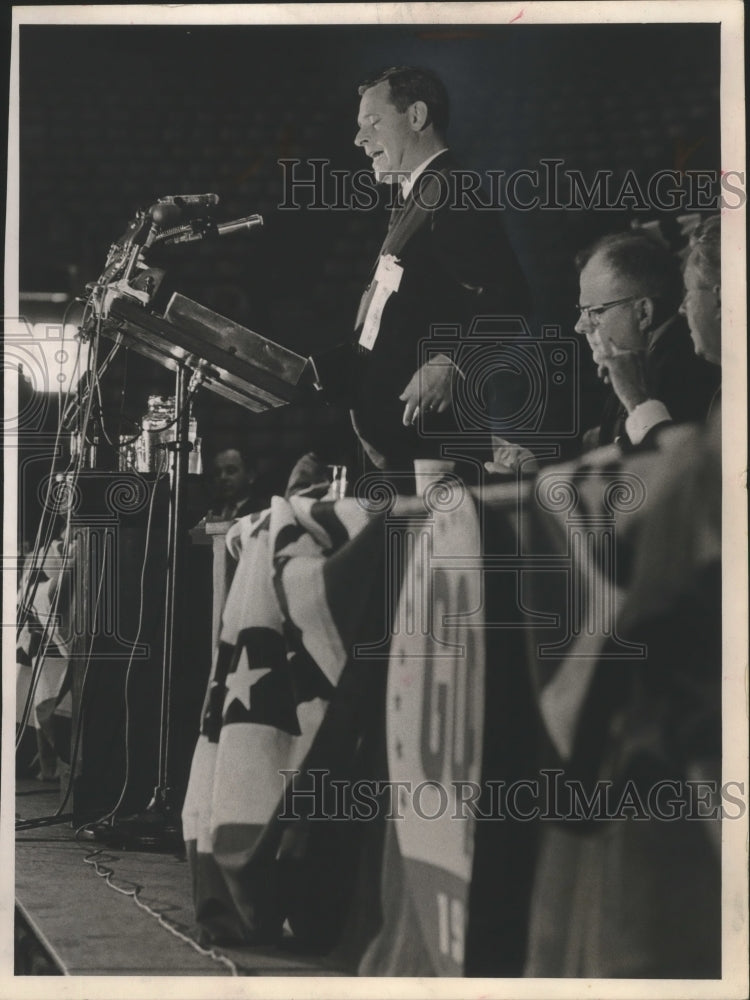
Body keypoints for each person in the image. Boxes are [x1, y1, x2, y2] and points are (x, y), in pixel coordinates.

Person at [347, 66, 531, 480]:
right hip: (402, 451)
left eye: (372, 123)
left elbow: (511, 297)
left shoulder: (452, 191)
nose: (359, 139)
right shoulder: (417, 198)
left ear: (415, 117)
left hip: (433, 453)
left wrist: (454, 361)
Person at [574, 229, 719, 450]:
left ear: (643, 313)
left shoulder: (683, 372)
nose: (580, 326)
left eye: (593, 311)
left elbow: (674, 472)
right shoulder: (639, 365)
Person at [208, 445, 260, 520]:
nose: (222, 477)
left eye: (231, 471)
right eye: (217, 472)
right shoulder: (211, 511)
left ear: (250, 476)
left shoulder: (262, 512)